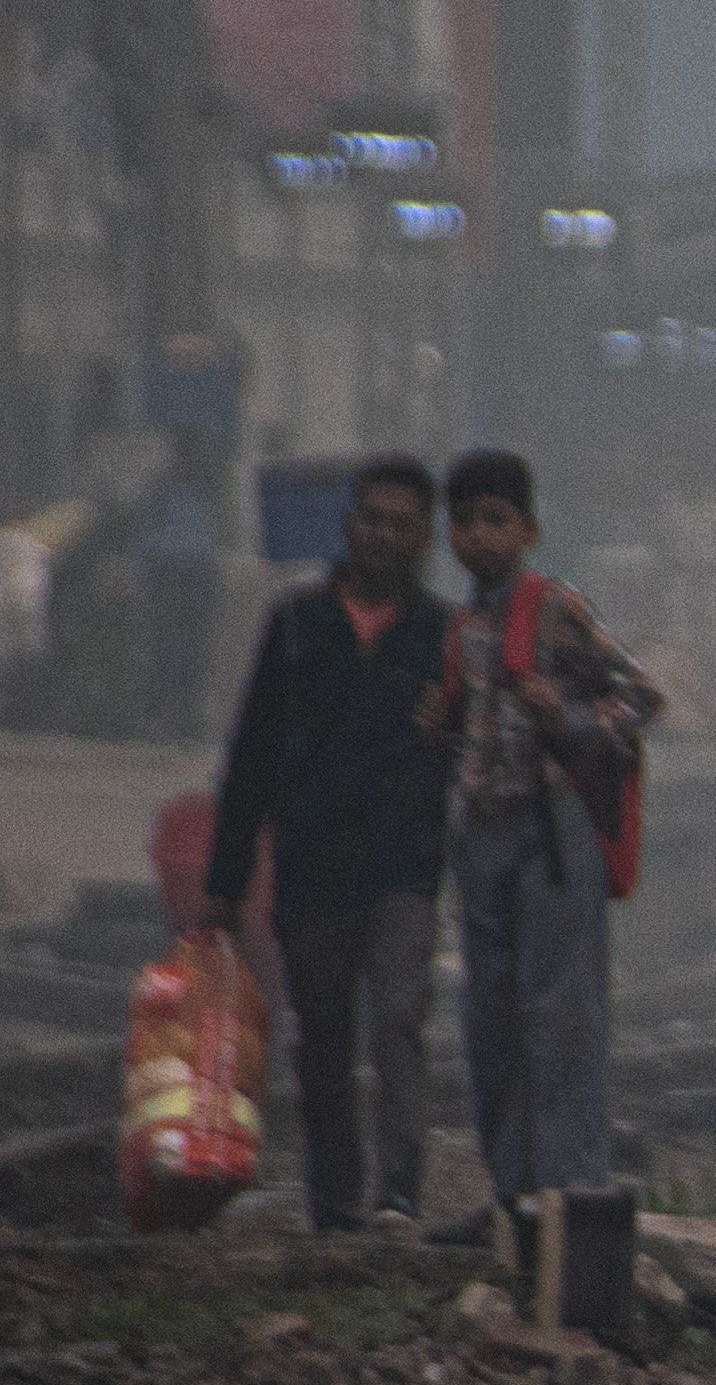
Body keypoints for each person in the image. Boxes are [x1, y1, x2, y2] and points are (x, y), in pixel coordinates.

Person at [203, 455, 454, 1233]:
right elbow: (252, 751)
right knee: (323, 1037)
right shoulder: (297, 624)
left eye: (400, 524)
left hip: (404, 868)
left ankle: (400, 1190)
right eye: (371, 519)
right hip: (313, 868)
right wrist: (227, 877)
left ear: (423, 538)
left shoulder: (444, 637)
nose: (382, 535)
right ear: (349, 526)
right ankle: (336, 1199)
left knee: (399, 1023)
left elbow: (474, 753)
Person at [420, 449, 663, 1243]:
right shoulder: (461, 624)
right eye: (464, 522)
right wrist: (441, 726)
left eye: (496, 520)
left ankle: (572, 1199)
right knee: (491, 1019)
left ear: (528, 528)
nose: (479, 536)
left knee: (562, 1019)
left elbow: (641, 693)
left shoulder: (554, 607)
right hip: (483, 833)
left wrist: (577, 717)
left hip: (553, 836)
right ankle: (514, 1193)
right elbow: (474, 727)